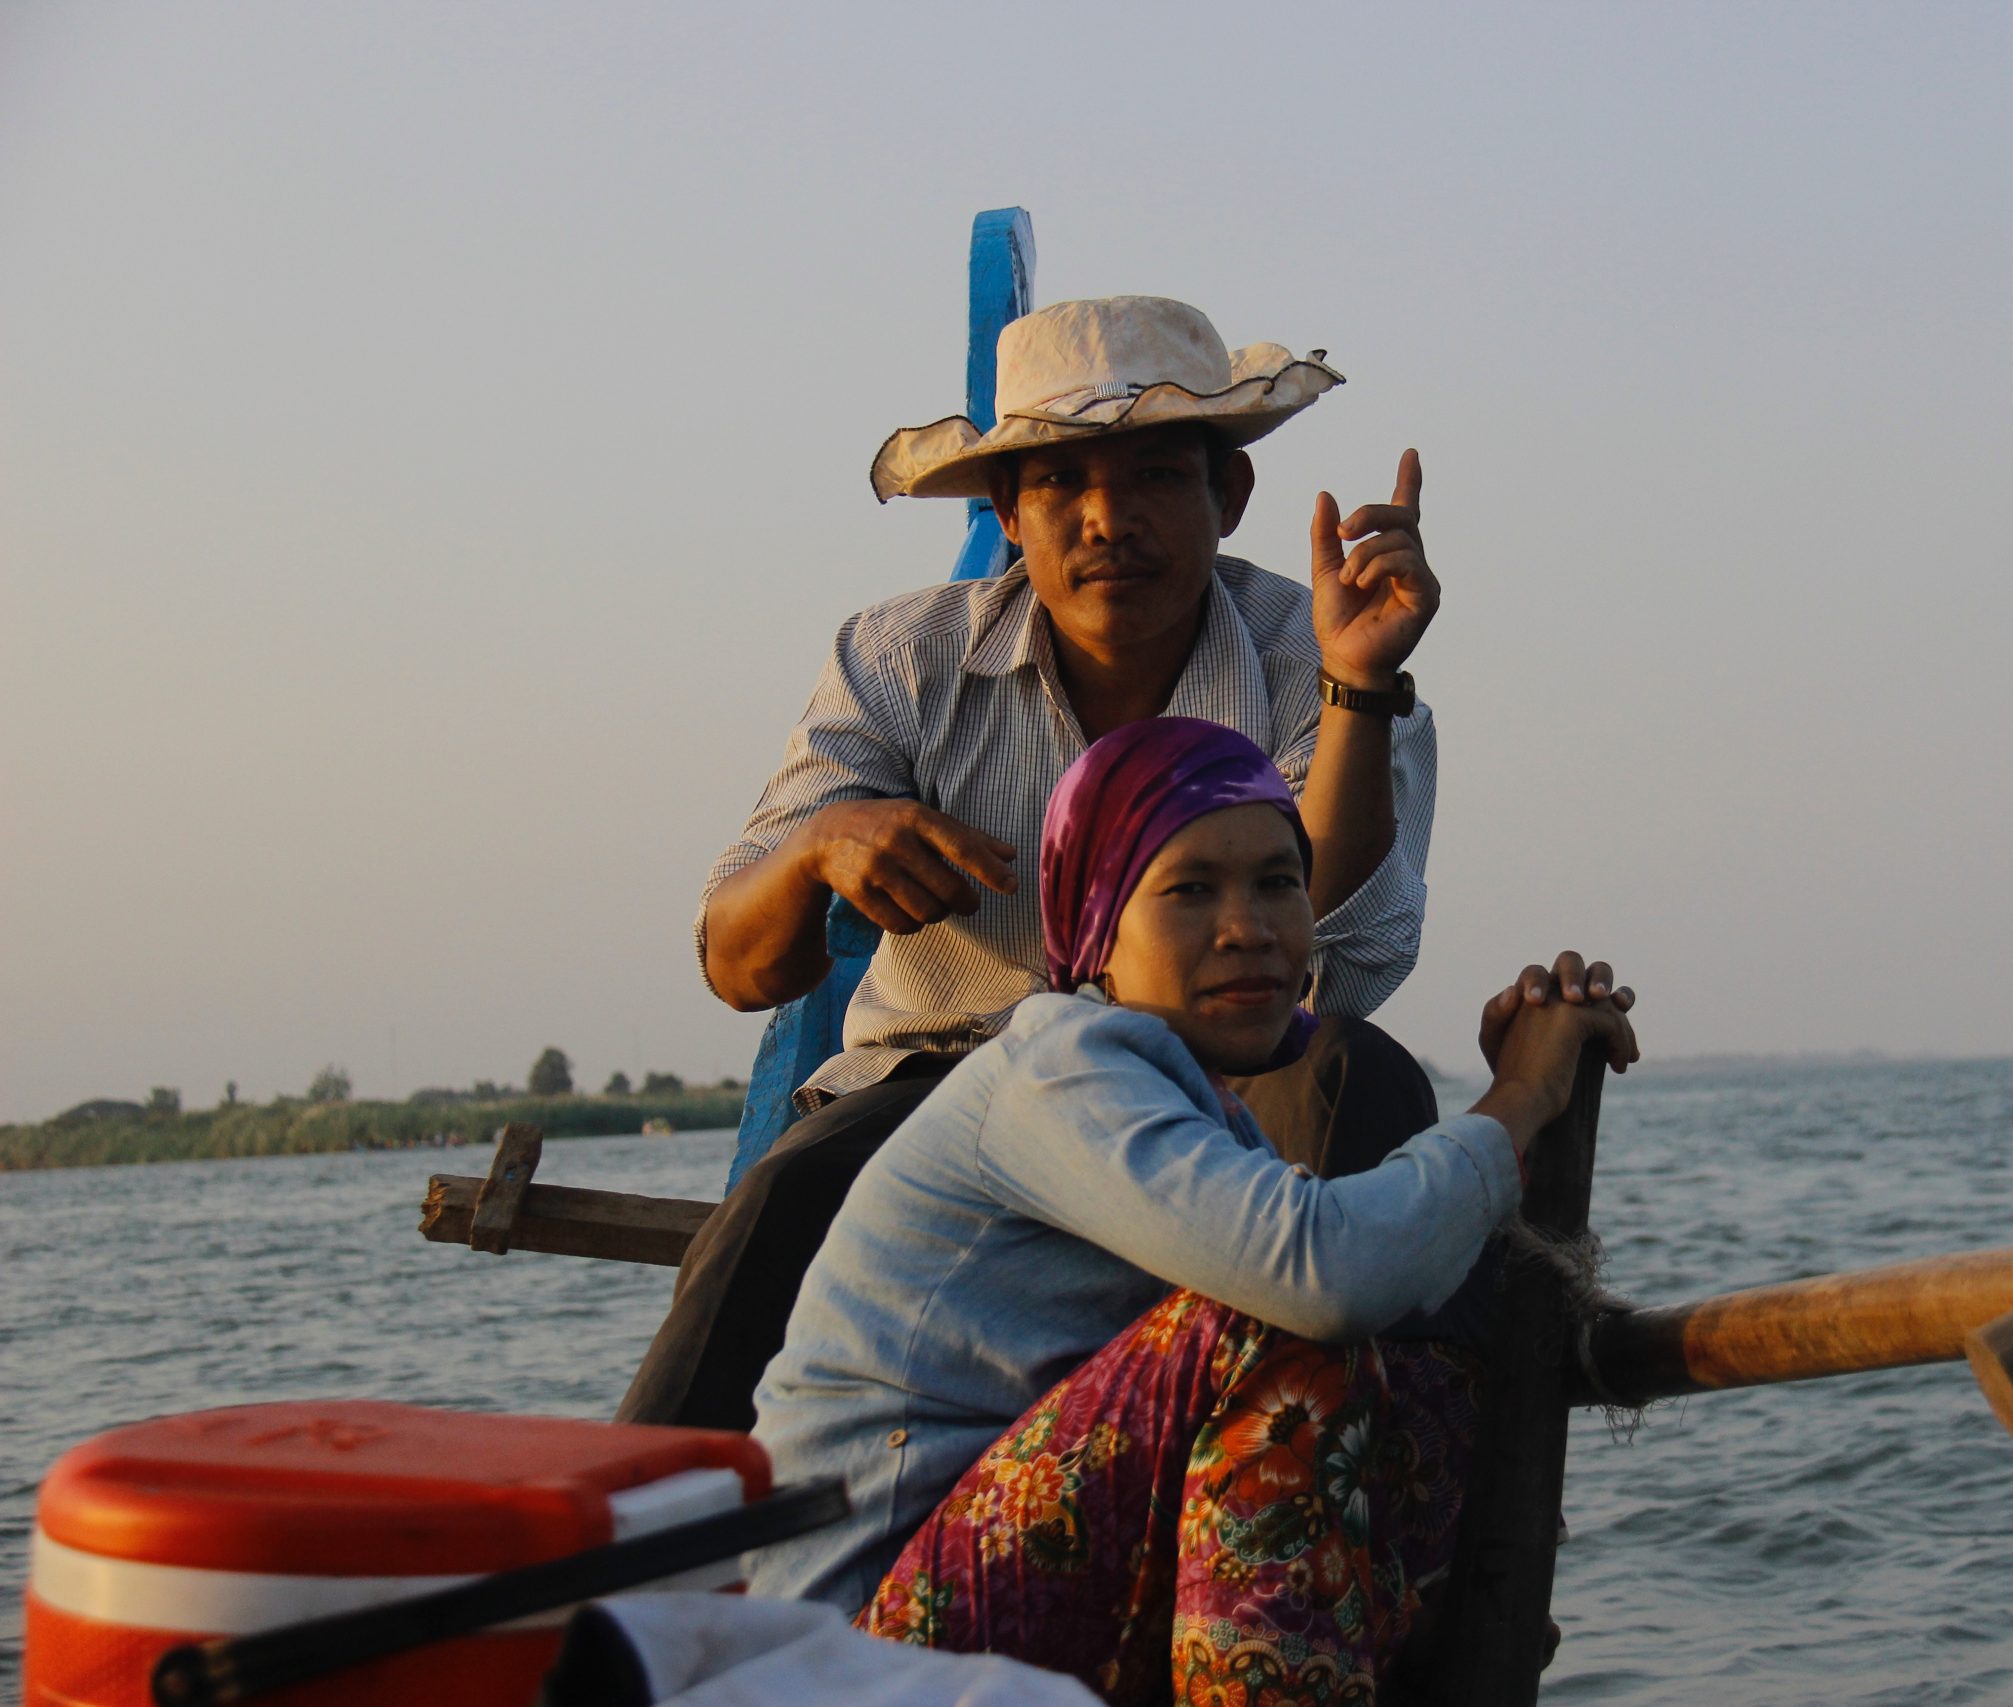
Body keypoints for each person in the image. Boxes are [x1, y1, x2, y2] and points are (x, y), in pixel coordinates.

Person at [623, 296, 1455, 1430]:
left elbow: (1321, 918)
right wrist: (822, 847)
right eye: (1061, 484)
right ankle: (653, 1569)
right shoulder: (899, 658)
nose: (1108, 520)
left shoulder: (1321, 646)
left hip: (1221, 1076)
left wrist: (1359, 682)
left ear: (1231, 498)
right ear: (1008, 512)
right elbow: (737, 965)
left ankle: (1349, 1533)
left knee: (1356, 1083)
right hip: (946, 1087)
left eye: (1157, 475)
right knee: (783, 1201)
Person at [748, 717, 1639, 1706]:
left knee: (1412, 1375)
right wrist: (1519, 1099)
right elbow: (1323, 1276)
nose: (1247, 927)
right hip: (857, 1643)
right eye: (1189, 891)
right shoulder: (1060, 1066)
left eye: (1276, 883)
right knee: (1289, 1315)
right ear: (1095, 927)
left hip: (990, 1618)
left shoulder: (1198, 1113)